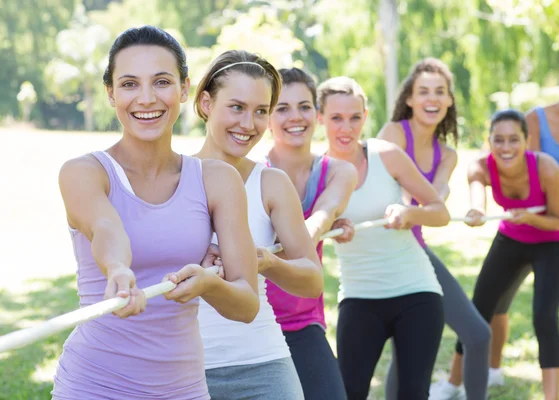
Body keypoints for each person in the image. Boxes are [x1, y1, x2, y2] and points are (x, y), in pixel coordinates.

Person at [51, 26, 259, 400]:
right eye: (129, 84)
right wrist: (117, 269)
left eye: (161, 82)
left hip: (183, 389)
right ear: (111, 94)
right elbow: (104, 227)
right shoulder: (83, 171)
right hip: (93, 386)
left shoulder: (218, 180)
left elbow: (246, 305)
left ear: (184, 89)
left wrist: (210, 285)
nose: (146, 99)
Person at [193, 50, 323, 400]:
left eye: (261, 111)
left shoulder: (271, 183)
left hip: (263, 363)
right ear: (206, 102)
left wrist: (264, 261)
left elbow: (313, 281)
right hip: (182, 370)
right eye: (236, 107)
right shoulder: (174, 179)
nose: (249, 125)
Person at [321, 76, 450, 399]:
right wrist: (331, 227)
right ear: (320, 118)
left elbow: (440, 211)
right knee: (349, 392)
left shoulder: (387, 155)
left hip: (416, 290)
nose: (346, 128)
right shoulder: (316, 172)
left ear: (365, 117)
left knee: (412, 392)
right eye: (336, 118)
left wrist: (410, 214)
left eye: (354, 118)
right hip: (359, 296)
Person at [377, 57, 491, 400]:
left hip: (414, 251)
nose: (432, 99)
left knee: (477, 334)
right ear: (409, 98)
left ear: (450, 100)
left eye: (440, 92)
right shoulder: (394, 134)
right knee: (406, 347)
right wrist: (425, 205)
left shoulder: (448, 154)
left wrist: (460, 207)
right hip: (378, 253)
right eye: (423, 91)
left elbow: (436, 197)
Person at [490, 51, 559, 399]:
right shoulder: (533, 120)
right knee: (499, 296)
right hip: (535, 215)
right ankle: (492, 370)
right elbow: (523, 168)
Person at [453, 109, 559, 400]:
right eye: (498, 140)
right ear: (489, 141)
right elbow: (477, 199)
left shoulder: (547, 168)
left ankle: (551, 397)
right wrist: (477, 212)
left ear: (526, 140)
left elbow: (558, 219)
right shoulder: (480, 167)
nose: (506, 147)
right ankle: (451, 384)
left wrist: (530, 218)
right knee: (478, 307)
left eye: (513, 140)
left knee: (544, 316)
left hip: (554, 242)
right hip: (512, 237)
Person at [266, 67, 356, 399]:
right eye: (282, 108)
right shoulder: (249, 173)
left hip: (303, 322)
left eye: (304, 106)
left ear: (317, 115)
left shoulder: (339, 171)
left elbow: (323, 212)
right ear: (268, 117)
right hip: (251, 320)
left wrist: (314, 232)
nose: (295, 117)